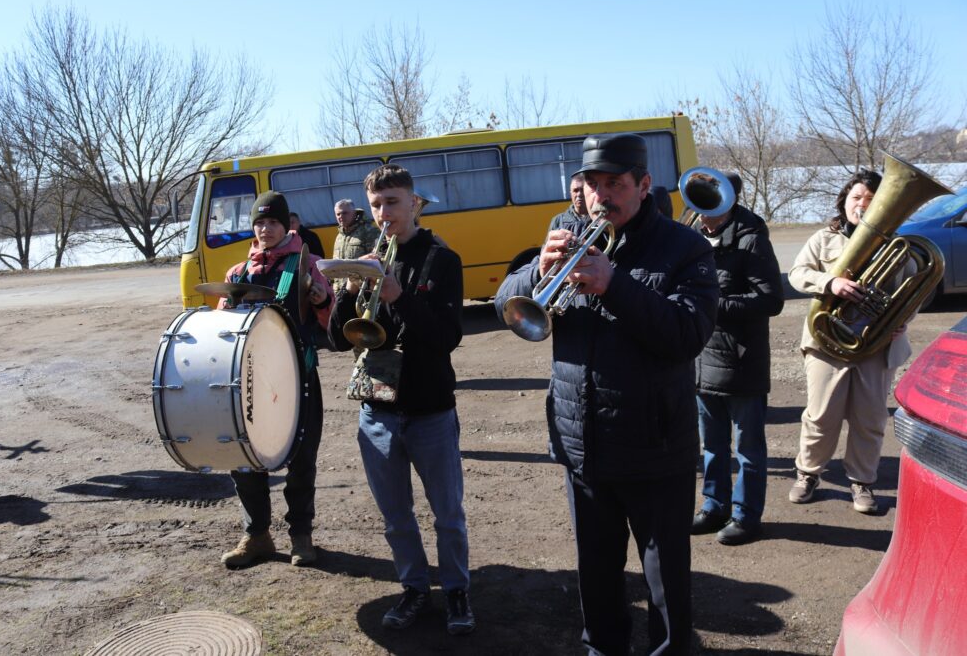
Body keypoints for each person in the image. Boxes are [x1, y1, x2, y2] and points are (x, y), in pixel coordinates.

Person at [495, 134, 718, 655]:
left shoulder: (685, 248)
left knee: (665, 585)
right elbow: (506, 301)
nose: (601, 196)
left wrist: (615, 285)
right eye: (592, 184)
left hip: (655, 448)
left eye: (614, 184)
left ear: (643, 185)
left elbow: (687, 334)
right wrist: (536, 271)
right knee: (595, 577)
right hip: (584, 447)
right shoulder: (568, 233)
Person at [329, 164, 474, 635]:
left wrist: (398, 295)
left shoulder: (442, 259)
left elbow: (447, 337)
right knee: (396, 518)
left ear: (414, 203)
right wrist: (350, 291)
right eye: (376, 205)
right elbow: (336, 339)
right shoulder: (369, 259)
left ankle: (456, 590)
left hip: (431, 409)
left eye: (392, 202)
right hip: (378, 410)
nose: (383, 213)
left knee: (447, 515)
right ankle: (414, 588)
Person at [218, 191, 335, 568]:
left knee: (301, 460)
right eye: (260, 223)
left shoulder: (310, 265)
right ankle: (257, 535)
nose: (265, 229)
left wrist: (321, 300)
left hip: (298, 380)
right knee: (245, 456)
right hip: (249, 382)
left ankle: (301, 535)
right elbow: (222, 331)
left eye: (272, 222)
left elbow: (333, 325)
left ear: (287, 225)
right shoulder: (237, 273)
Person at [788, 169, 912, 514]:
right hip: (827, 341)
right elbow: (797, 274)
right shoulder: (823, 238)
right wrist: (831, 283)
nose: (862, 204)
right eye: (856, 197)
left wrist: (901, 321)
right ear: (844, 201)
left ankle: (862, 482)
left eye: (871, 199)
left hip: (877, 344)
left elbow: (914, 291)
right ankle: (808, 474)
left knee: (870, 419)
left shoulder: (897, 244)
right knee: (821, 416)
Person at [689, 172, 784, 546]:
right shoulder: (694, 237)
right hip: (703, 359)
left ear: (730, 202)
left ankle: (746, 516)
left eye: (709, 204)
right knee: (712, 446)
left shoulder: (752, 239)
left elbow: (771, 300)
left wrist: (714, 305)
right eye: (699, 203)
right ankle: (714, 506)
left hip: (743, 361)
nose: (702, 214)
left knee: (748, 450)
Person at [331, 199, 381, 294]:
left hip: (362, 292)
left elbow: (377, 261)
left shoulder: (369, 231)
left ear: (354, 213)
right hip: (341, 292)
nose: (341, 216)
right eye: (338, 214)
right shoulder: (339, 236)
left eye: (344, 213)